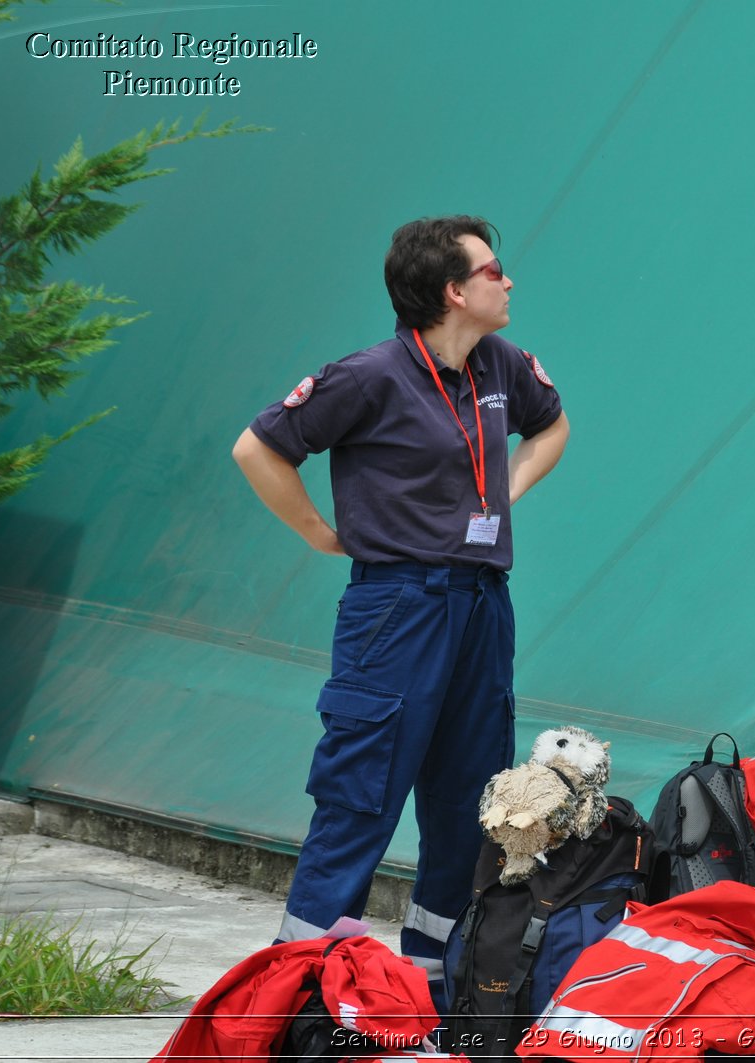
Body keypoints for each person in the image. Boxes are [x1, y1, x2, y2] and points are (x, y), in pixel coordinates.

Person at [231, 215, 569, 1004]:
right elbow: (260, 448)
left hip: (483, 604)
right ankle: (304, 996)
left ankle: (432, 990)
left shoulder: (502, 364)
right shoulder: (369, 375)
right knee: (362, 794)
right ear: (454, 291)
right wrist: (319, 532)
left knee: (469, 804)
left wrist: (505, 494)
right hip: (398, 607)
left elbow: (551, 427)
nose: (507, 280)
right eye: (493, 270)